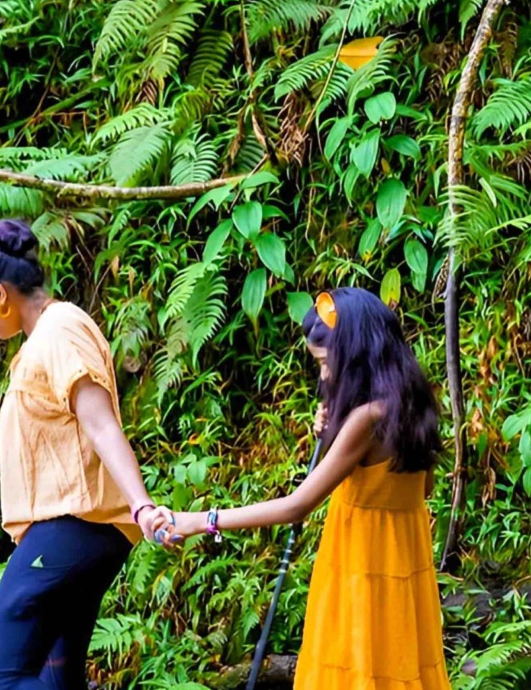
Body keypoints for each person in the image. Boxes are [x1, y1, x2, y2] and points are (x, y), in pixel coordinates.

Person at [157, 288, 452, 690]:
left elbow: (299, 505)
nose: (325, 377)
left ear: (356, 357)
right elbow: (411, 486)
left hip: (360, 572)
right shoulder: (412, 408)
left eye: (328, 364)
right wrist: (333, 433)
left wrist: (201, 521)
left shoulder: (366, 420)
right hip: (402, 574)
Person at [0, 219, 172, 690]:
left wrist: (142, 505)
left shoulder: (59, 332)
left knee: (2, 674)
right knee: (57, 677)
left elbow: (100, 424)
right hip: (82, 529)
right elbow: (46, 436)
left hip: (73, 526)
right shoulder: (46, 338)